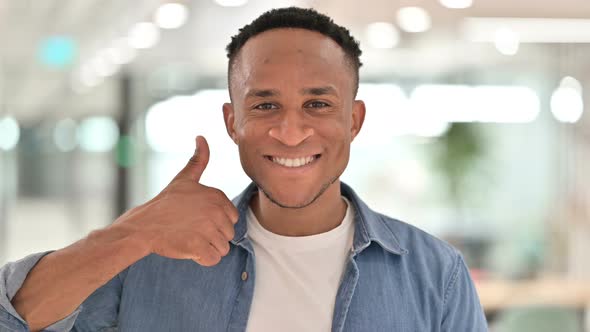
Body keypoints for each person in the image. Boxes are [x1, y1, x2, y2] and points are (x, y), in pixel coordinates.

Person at [0, 7, 487, 332]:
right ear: (232, 121)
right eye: (265, 106)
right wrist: (132, 233)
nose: (291, 133)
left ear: (353, 120)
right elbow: (14, 318)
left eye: (317, 104)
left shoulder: (435, 276)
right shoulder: (151, 259)